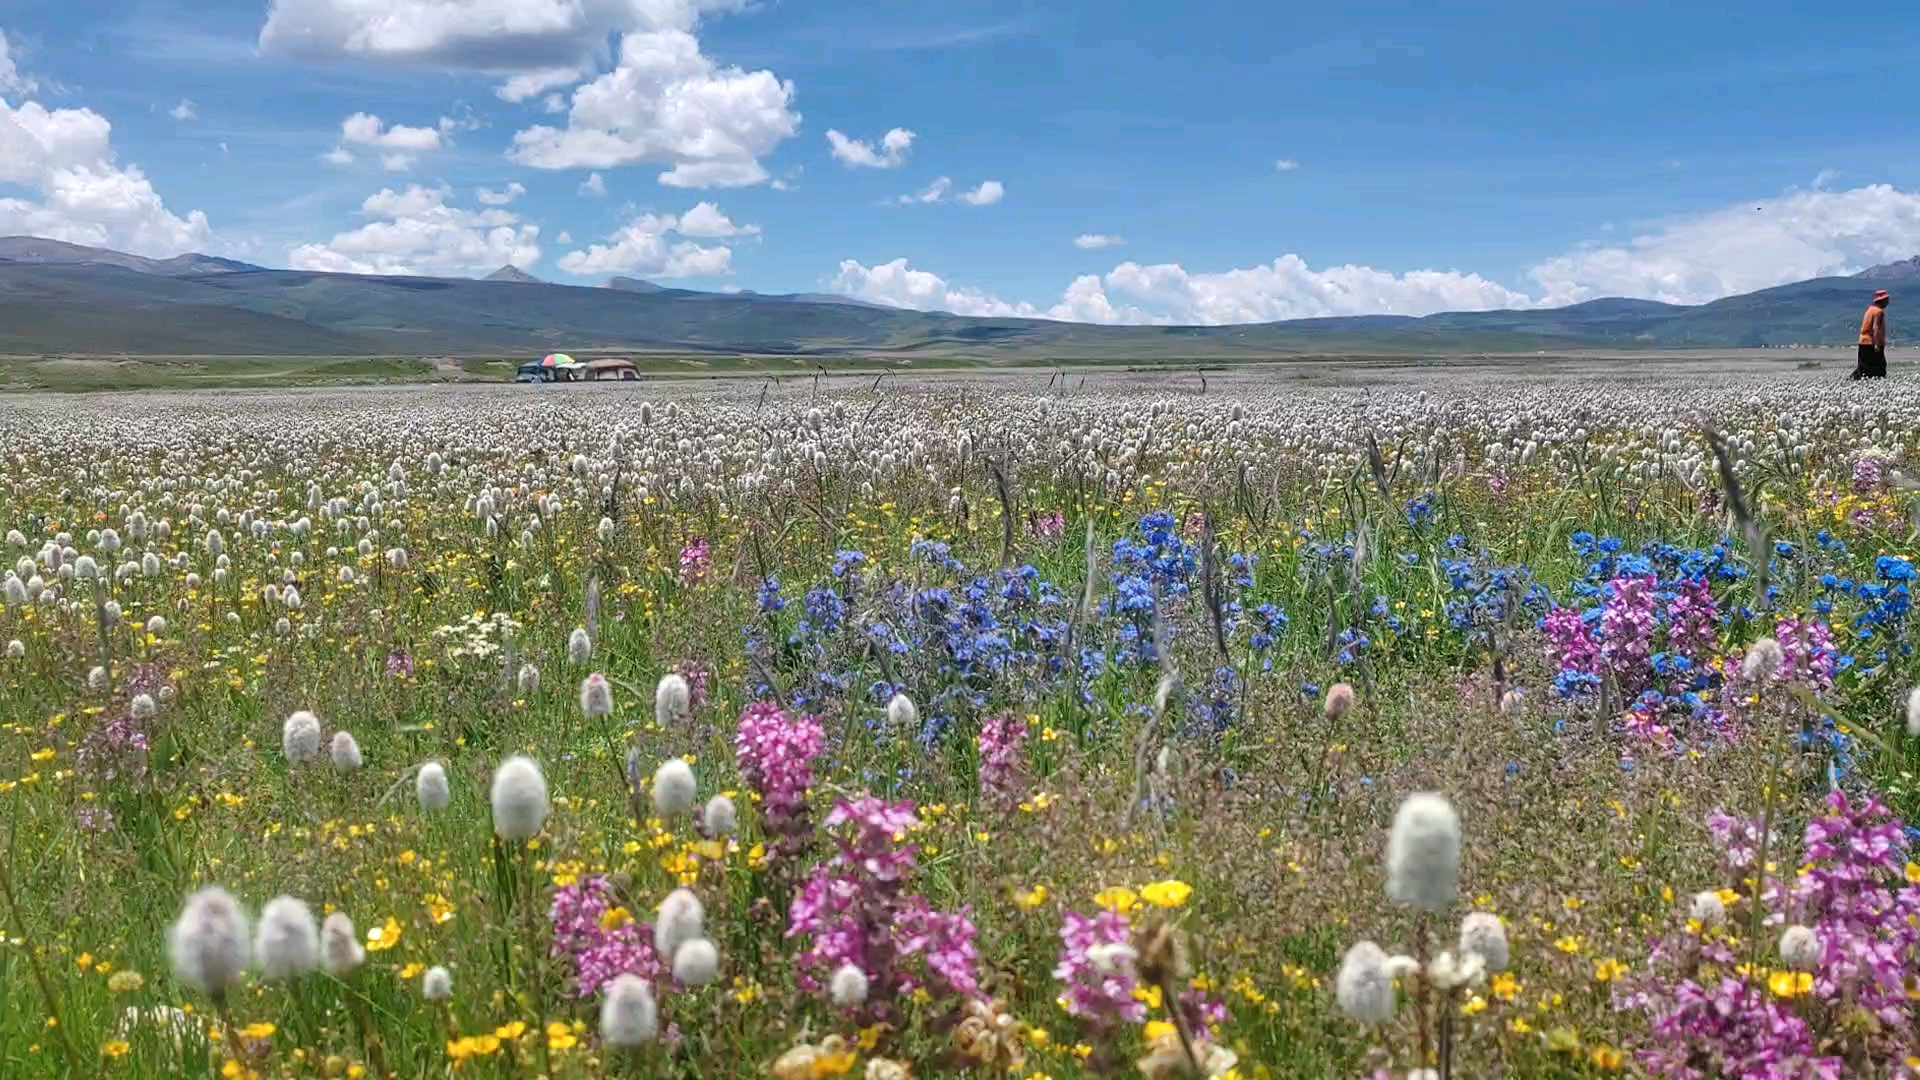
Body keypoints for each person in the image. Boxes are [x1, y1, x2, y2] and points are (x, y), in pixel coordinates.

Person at [1853, 289, 1890, 380]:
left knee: (1864, 366)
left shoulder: (1870, 310)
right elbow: (1875, 327)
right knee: (1878, 366)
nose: (1888, 302)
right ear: (1882, 300)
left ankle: (1855, 380)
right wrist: (1877, 344)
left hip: (1863, 341)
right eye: (1887, 299)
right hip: (1872, 342)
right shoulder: (1878, 312)